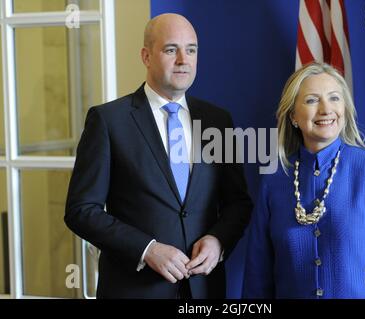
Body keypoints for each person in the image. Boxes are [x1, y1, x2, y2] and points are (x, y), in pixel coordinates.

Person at [65, 13, 253, 299]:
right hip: (134, 290)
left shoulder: (218, 121)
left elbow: (238, 202)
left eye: (191, 50)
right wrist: (147, 249)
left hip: (203, 290)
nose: (183, 59)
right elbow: (81, 210)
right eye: (170, 49)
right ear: (146, 56)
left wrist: (218, 241)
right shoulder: (108, 120)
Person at [242, 62, 365, 299]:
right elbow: (257, 277)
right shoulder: (275, 180)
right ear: (293, 115)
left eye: (334, 98)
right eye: (312, 100)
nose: (326, 109)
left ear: (345, 108)